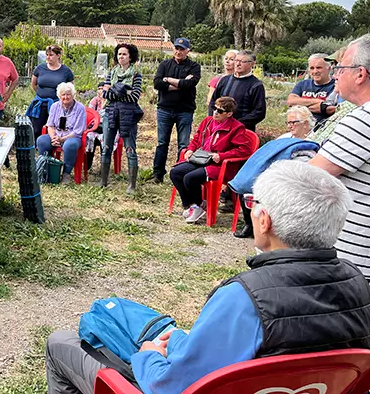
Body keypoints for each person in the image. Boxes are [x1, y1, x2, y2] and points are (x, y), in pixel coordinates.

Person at [45, 161, 370, 394]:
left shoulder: (246, 298)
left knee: (60, 343)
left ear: (264, 219)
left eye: (253, 203)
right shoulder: (358, 284)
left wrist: (148, 356)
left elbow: (171, 386)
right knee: (174, 335)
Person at [310, 34, 370, 279]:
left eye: (341, 68)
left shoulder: (363, 120)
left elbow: (308, 177)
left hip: (355, 264)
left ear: (360, 74)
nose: (335, 75)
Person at [229, 105, 320, 238]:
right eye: (288, 123)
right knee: (248, 182)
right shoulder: (286, 137)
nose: (290, 126)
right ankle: (250, 224)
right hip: (273, 172)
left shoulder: (313, 141)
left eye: (293, 122)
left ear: (305, 123)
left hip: (293, 180)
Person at [170, 96, 252, 223]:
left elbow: (244, 150)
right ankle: (194, 205)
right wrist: (191, 149)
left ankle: (198, 206)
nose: (215, 112)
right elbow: (197, 138)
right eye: (214, 108)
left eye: (220, 111)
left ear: (229, 114)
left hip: (219, 165)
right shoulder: (207, 121)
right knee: (175, 173)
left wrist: (222, 156)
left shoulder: (236, 128)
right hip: (201, 159)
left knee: (190, 178)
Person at [151, 37, 201, 184]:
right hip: (164, 109)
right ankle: (158, 174)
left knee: (183, 144)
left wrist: (168, 80)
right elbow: (157, 83)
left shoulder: (194, 66)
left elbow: (190, 84)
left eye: (182, 49)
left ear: (187, 51)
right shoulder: (164, 64)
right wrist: (179, 84)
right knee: (162, 143)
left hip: (185, 111)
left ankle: (180, 174)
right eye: (176, 48)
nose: (178, 52)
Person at [100, 43, 142, 193]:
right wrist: (124, 91)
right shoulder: (111, 74)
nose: (121, 57)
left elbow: (135, 96)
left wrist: (115, 90)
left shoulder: (136, 75)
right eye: (119, 54)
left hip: (128, 114)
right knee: (106, 146)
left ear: (131, 57)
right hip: (111, 112)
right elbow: (105, 94)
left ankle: (131, 185)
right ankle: (103, 181)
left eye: (124, 54)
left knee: (130, 148)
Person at [36, 82, 86, 184]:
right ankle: (46, 171)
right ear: (59, 96)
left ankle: (66, 174)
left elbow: (78, 131)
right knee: (41, 140)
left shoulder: (80, 108)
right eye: (63, 94)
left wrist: (62, 139)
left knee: (69, 145)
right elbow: (50, 125)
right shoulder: (55, 106)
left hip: (72, 137)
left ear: (73, 95)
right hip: (57, 135)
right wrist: (53, 137)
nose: (66, 97)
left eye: (68, 94)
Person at [207, 50, 266, 131]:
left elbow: (259, 112)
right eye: (236, 60)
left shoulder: (256, 85)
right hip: (218, 128)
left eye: (242, 62)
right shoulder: (225, 80)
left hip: (241, 130)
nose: (238, 64)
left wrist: (235, 124)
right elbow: (213, 102)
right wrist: (212, 120)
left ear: (252, 64)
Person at [27, 44, 74, 139]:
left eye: (51, 55)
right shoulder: (40, 68)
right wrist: (41, 94)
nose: (48, 57)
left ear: (58, 55)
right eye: (47, 55)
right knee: (36, 129)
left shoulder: (66, 71)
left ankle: (52, 148)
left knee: (54, 128)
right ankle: (37, 150)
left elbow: (71, 89)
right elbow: (34, 84)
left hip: (58, 105)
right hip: (40, 104)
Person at [286, 53, 336, 125]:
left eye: (319, 68)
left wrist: (301, 105)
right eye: (312, 68)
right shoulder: (302, 84)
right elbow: (291, 101)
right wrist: (318, 101)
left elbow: (332, 109)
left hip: (324, 128)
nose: (315, 71)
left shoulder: (335, 86)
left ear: (329, 68)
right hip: (300, 129)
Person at [85, 82, 108, 172]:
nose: (100, 90)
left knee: (105, 139)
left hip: (107, 128)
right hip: (95, 127)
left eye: (102, 88)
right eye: (99, 88)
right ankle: (87, 165)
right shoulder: (94, 101)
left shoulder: (110, 101)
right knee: (90, 137)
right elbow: (90, 115)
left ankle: (104, 167)